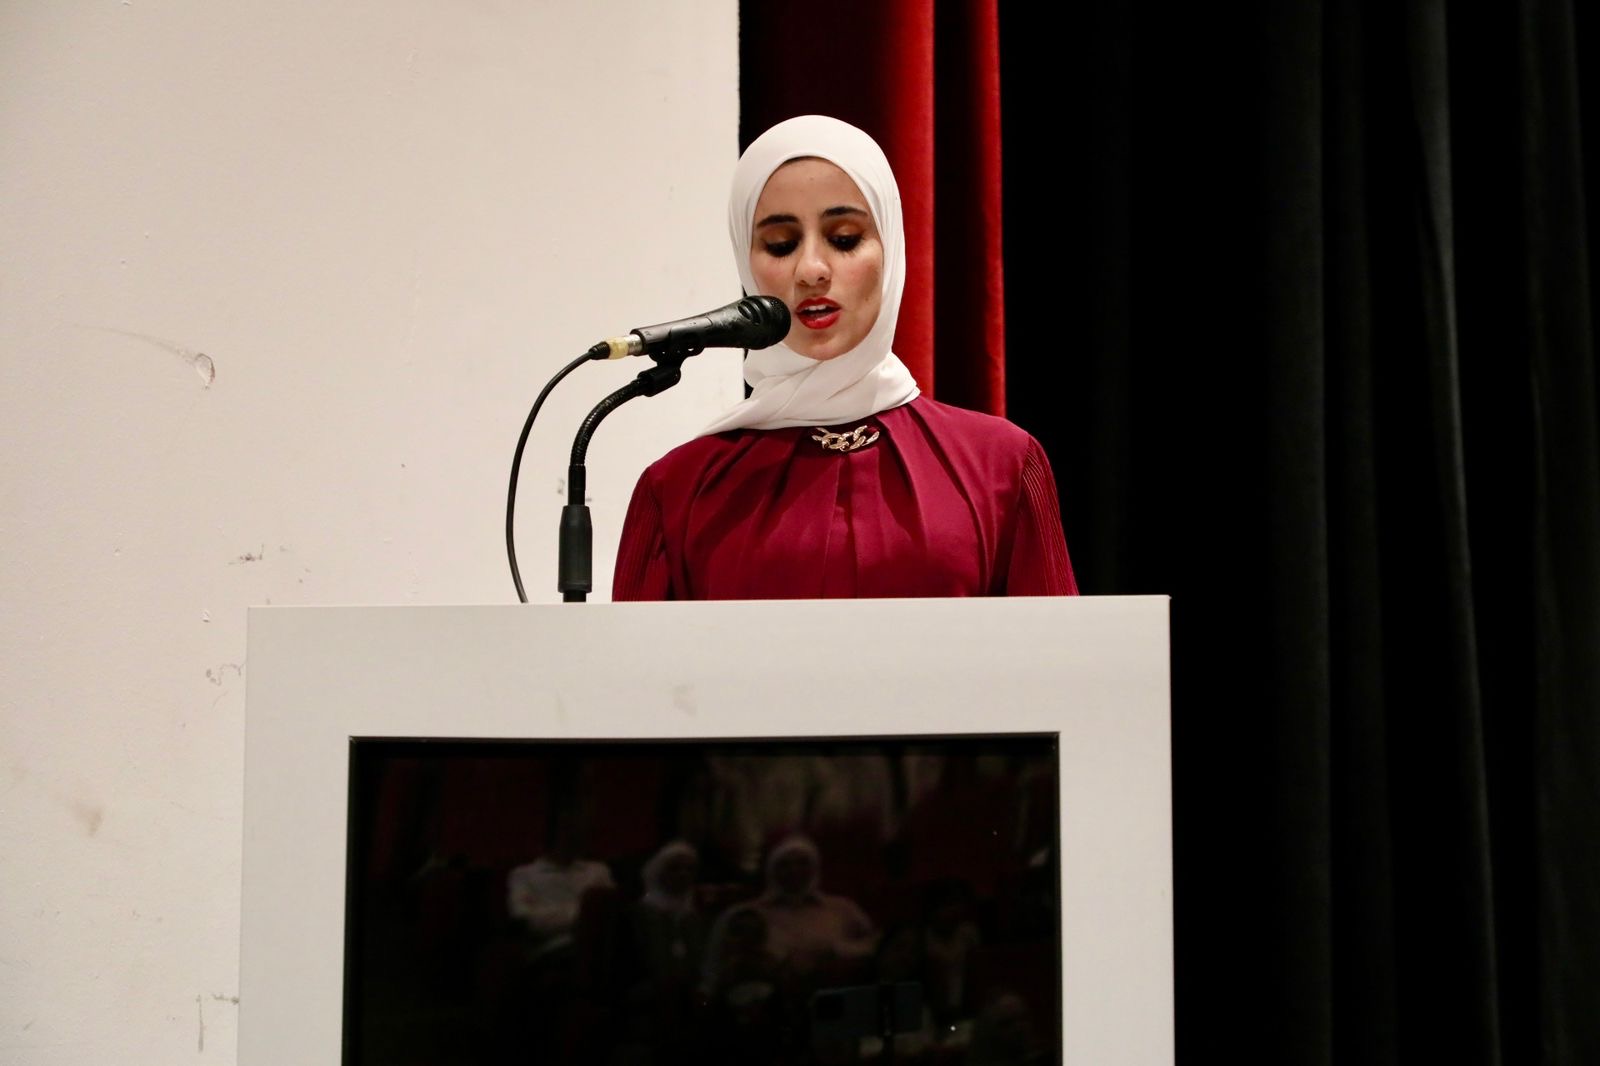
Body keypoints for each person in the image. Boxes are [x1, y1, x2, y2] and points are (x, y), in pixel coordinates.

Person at [613, 115, 1077, 600]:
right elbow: (633, 653)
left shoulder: (1001, 466)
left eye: (844, 238)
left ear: (890, 248)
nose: (811, 269)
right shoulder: (678, 491)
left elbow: (1060, 647)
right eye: (781, 245)